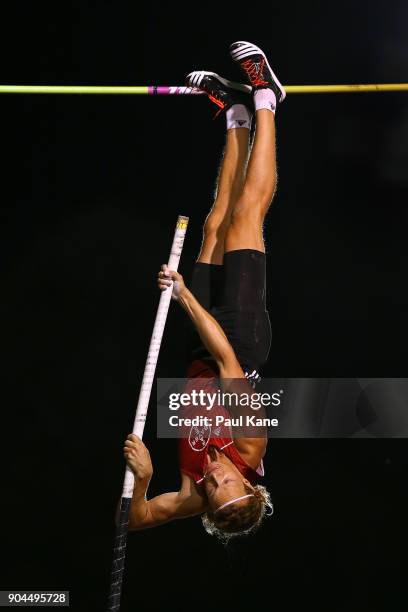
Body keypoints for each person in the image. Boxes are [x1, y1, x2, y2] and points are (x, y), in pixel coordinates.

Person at [121, 41, 285, 540]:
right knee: (243, 220)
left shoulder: (196, 495)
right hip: (236, 341)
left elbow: (142, 518)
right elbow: (227, 362)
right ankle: (266, 97)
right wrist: (184, 296)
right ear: (249, 483)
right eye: (226, 482)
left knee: (214, 225)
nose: (212, 479)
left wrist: (146, 481)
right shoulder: (250, 444)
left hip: (198, 352)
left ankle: (234, 113)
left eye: (211, 491)